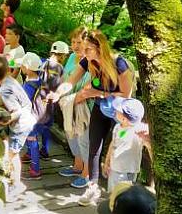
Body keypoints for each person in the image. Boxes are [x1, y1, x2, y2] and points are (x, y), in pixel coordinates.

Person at [58, 30, 133, 206]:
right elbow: (71, 81)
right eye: (83, 49)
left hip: (120, 111)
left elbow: (126, 94)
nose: (84, 54)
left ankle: (121, 193)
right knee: (94, 147)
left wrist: (97, 93)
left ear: (100, 48)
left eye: (88, 49)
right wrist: (57, 93)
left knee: (118, 149)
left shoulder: (119, 64)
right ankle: (92, 186)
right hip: (101, 108)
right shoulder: (88, 61)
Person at [0, 54, 37, 202]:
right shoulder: (10, 81)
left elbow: (16, 111)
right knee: (11, 153)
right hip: (26, 119)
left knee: (12, 155)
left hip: (21, 125)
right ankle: (12, 178)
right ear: (8, 69)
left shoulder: (5, 89)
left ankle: (17, 184)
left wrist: (3, 122)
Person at [57, 27, 93, 189]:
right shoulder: (71, 57)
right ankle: (77, 166)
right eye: (73, 42)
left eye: (79, 42)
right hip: (69, 104)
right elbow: (66, 78)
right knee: (71, 136)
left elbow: (89, 86)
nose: (76, 46)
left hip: (85, 107)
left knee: (84, 139)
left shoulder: (92, 61)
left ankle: (87, 173)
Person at [104, 98, 150, 197]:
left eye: (117, 111)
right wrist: (107, 162)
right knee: (113, 194)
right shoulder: (118, 127)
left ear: (124, 118)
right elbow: (113, 144)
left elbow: (149, 146)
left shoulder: (139, 130)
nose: (115, 111)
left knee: (123, 196)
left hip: (128, 171)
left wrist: (147, 140)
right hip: (115, 168)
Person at [17, 52, 46, 180]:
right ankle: (30, 155)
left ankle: (35, 170)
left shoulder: (29, 86)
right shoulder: (39, 80)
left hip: (30, 118)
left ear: (28, 68)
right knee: (31, 139)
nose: (21, 68)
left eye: (22, 66)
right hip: (38, 115)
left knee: (32, 140)